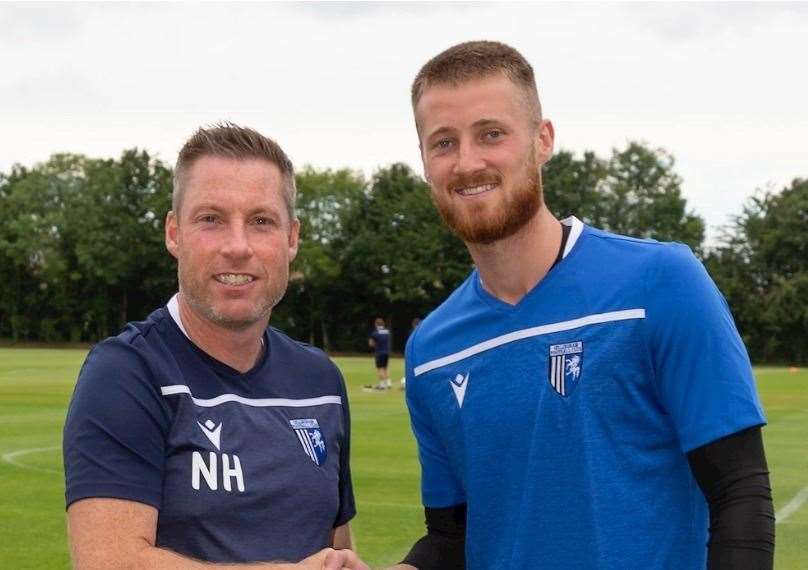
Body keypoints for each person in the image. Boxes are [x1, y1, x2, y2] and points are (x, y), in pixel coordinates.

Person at [393, 41, 775, 570]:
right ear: (425, 164)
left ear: (542, 140)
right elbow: (452, 539)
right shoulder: (431, 349)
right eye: (443, 143)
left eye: (491, 134)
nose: (467, 161)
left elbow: (740, 495)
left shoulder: (660, 282)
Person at [63, 124, 368, 570]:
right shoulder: (127, 373)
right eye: (211, 219)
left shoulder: (319, 379)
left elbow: (337, 545)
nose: (237, 246)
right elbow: (107, 562)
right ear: (173, 233)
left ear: (291, 238)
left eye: (261, 222)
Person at [364, 317, 391, 390]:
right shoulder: (387, 331)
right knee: (385, 368)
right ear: (383, 324)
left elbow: (371, 343)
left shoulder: (375, 333)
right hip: (387, 352)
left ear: (376, 324)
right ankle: (388, 383)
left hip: (379, 352)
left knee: (380, 368)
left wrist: (375, 344)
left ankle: (382, 384)